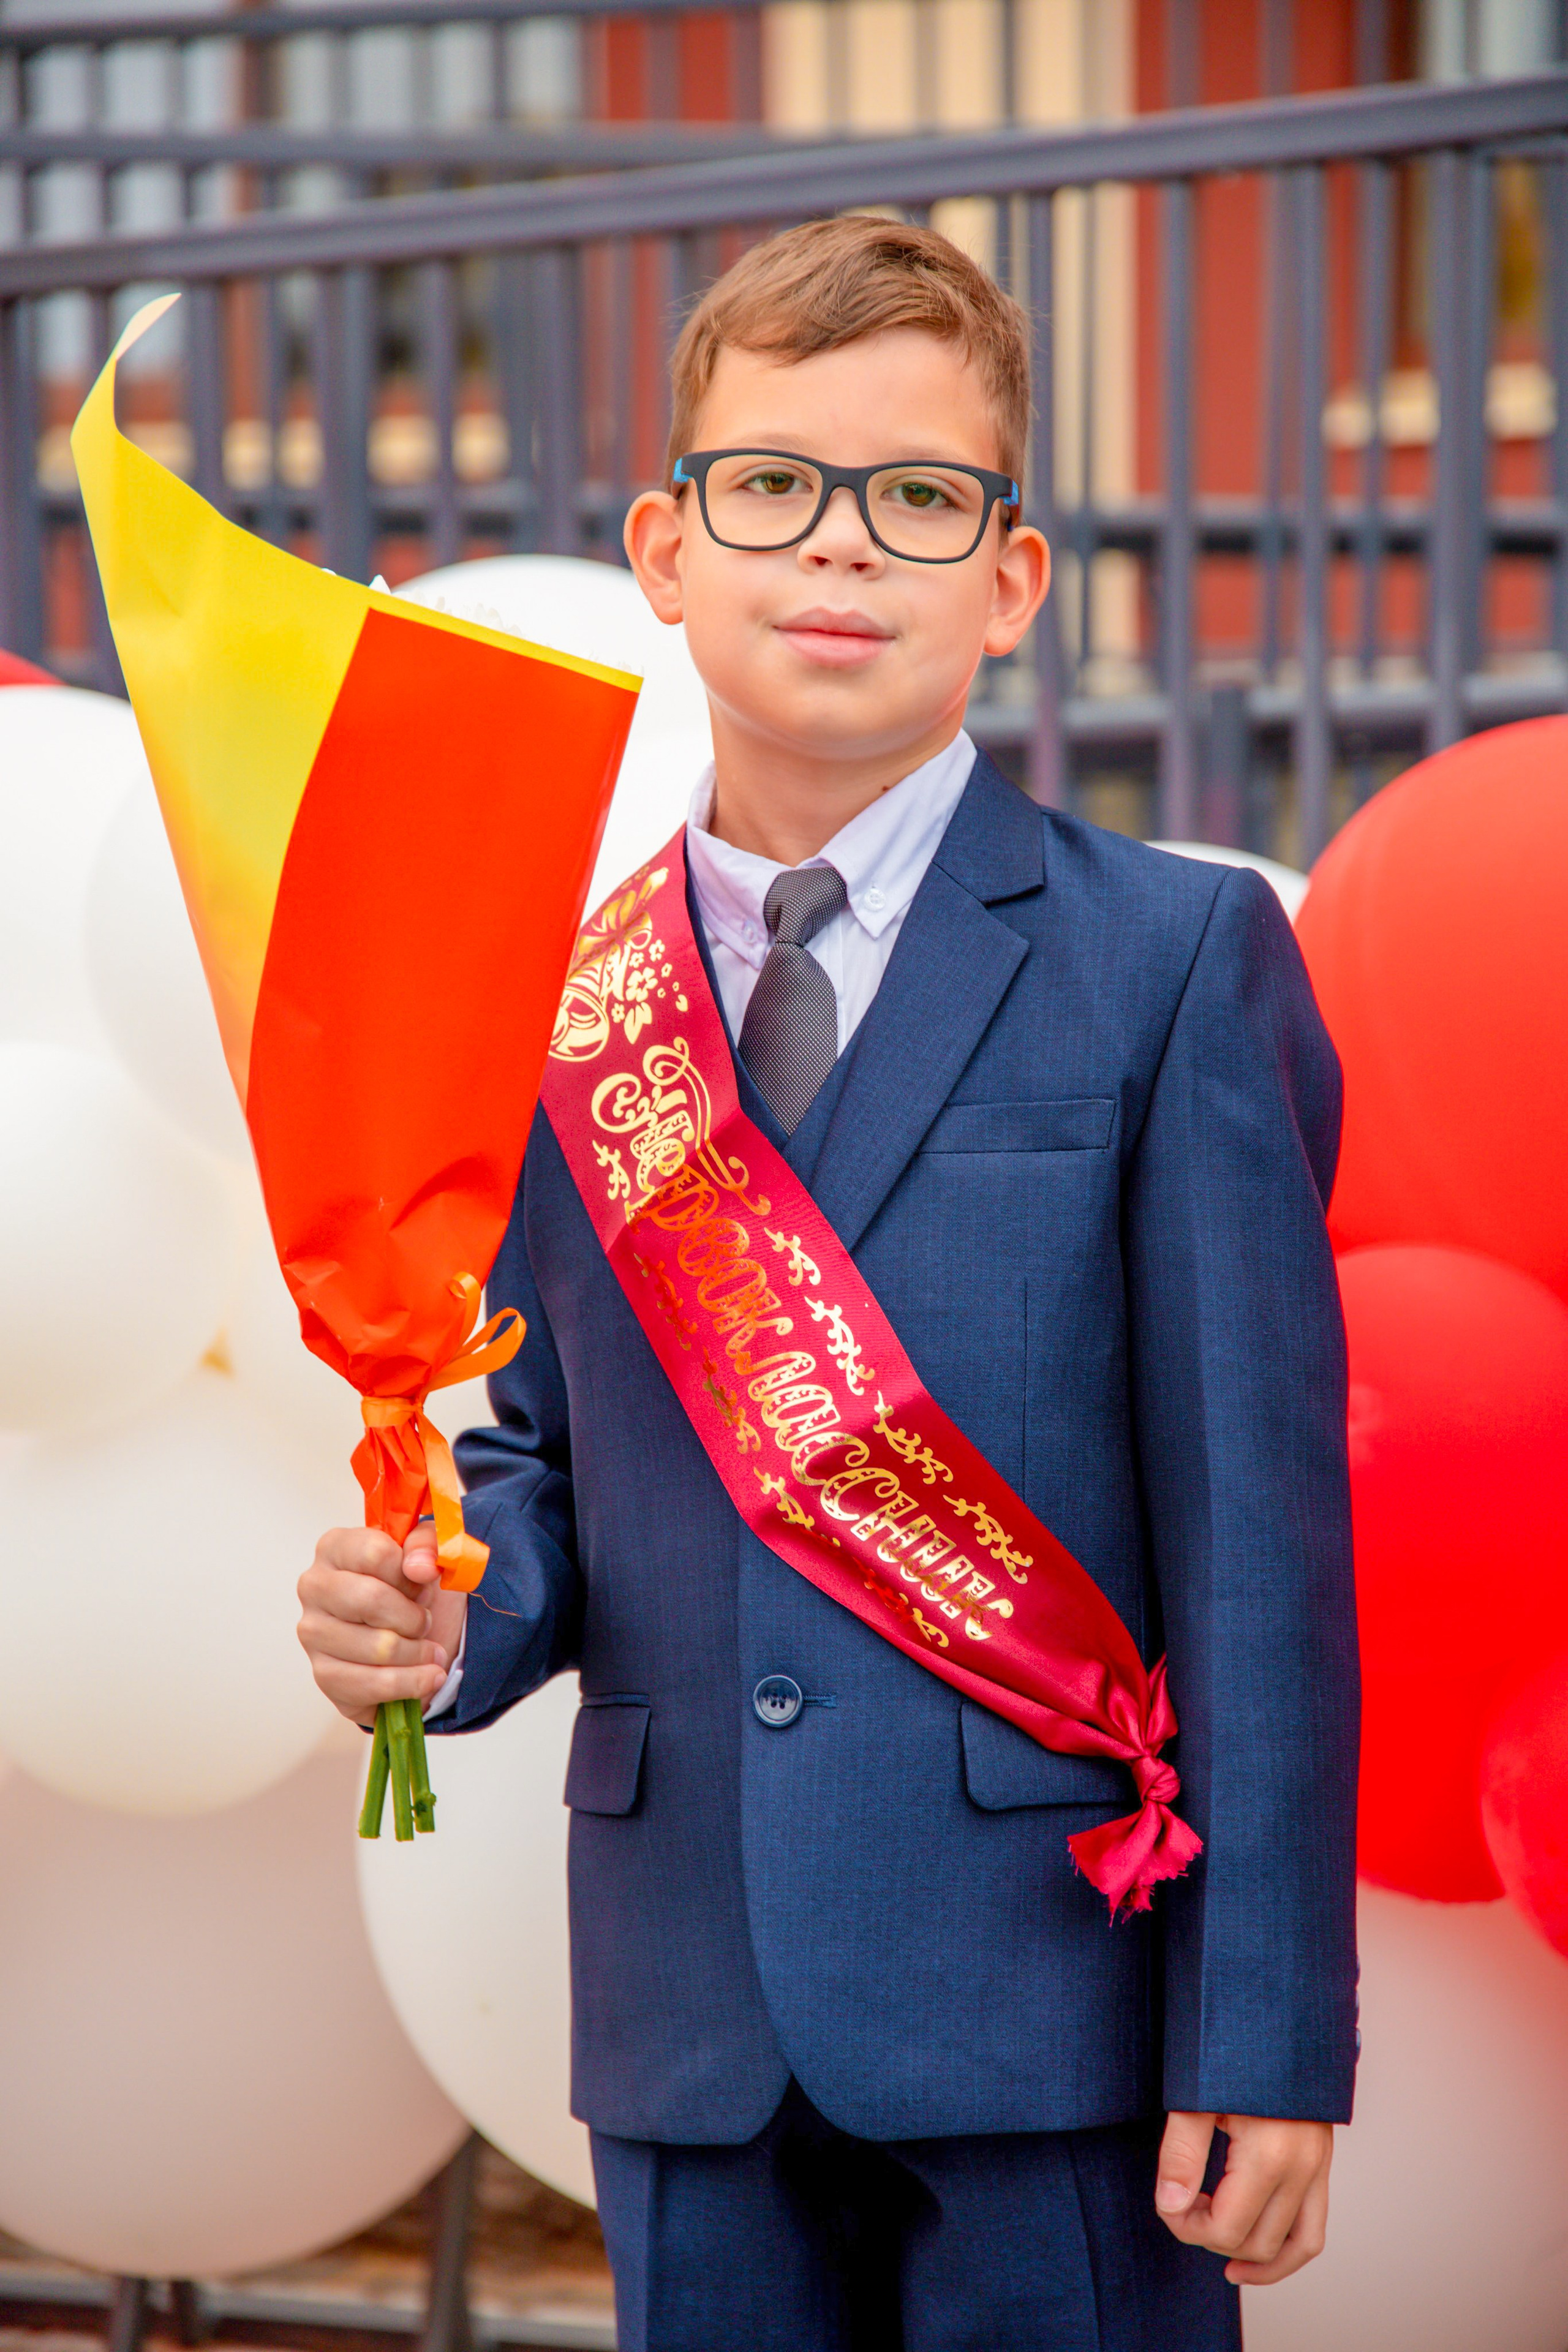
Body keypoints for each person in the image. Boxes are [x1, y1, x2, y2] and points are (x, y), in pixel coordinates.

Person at [296, 216, 1358, 2352]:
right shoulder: (565, 1002)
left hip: (1055, 2015)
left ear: (1012, 577)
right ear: (668, 551)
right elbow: (542, 1462)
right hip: (691, 2014)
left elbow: (1262, 1548)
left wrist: (1266, 2030)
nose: (839, 550)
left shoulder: (1167, 963)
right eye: (772, 485)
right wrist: (442, 1607)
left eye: (920, 498)